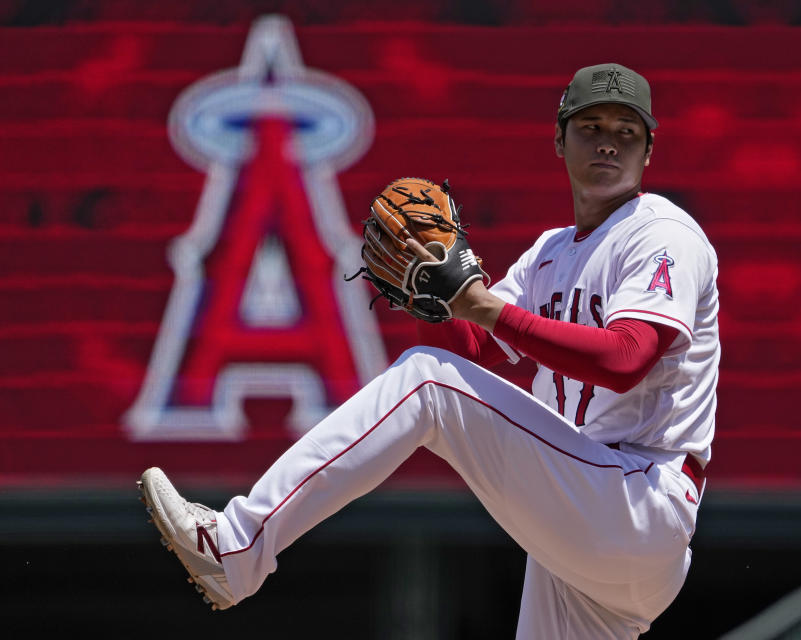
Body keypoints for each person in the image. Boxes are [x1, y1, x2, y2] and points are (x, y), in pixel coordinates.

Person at [139, 62, 720, 638]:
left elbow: (624, 359)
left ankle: (238, 545)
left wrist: (479, 304)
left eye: (627, 132)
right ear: (560, 138)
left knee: (425, 381)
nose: (609, 145)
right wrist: (433, 296)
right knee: (435, 374)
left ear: (648, 151)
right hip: (585, 520)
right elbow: (471, 349)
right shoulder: (551, 252)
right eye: (592, 127)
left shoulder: (662, 233)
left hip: (640, 499)